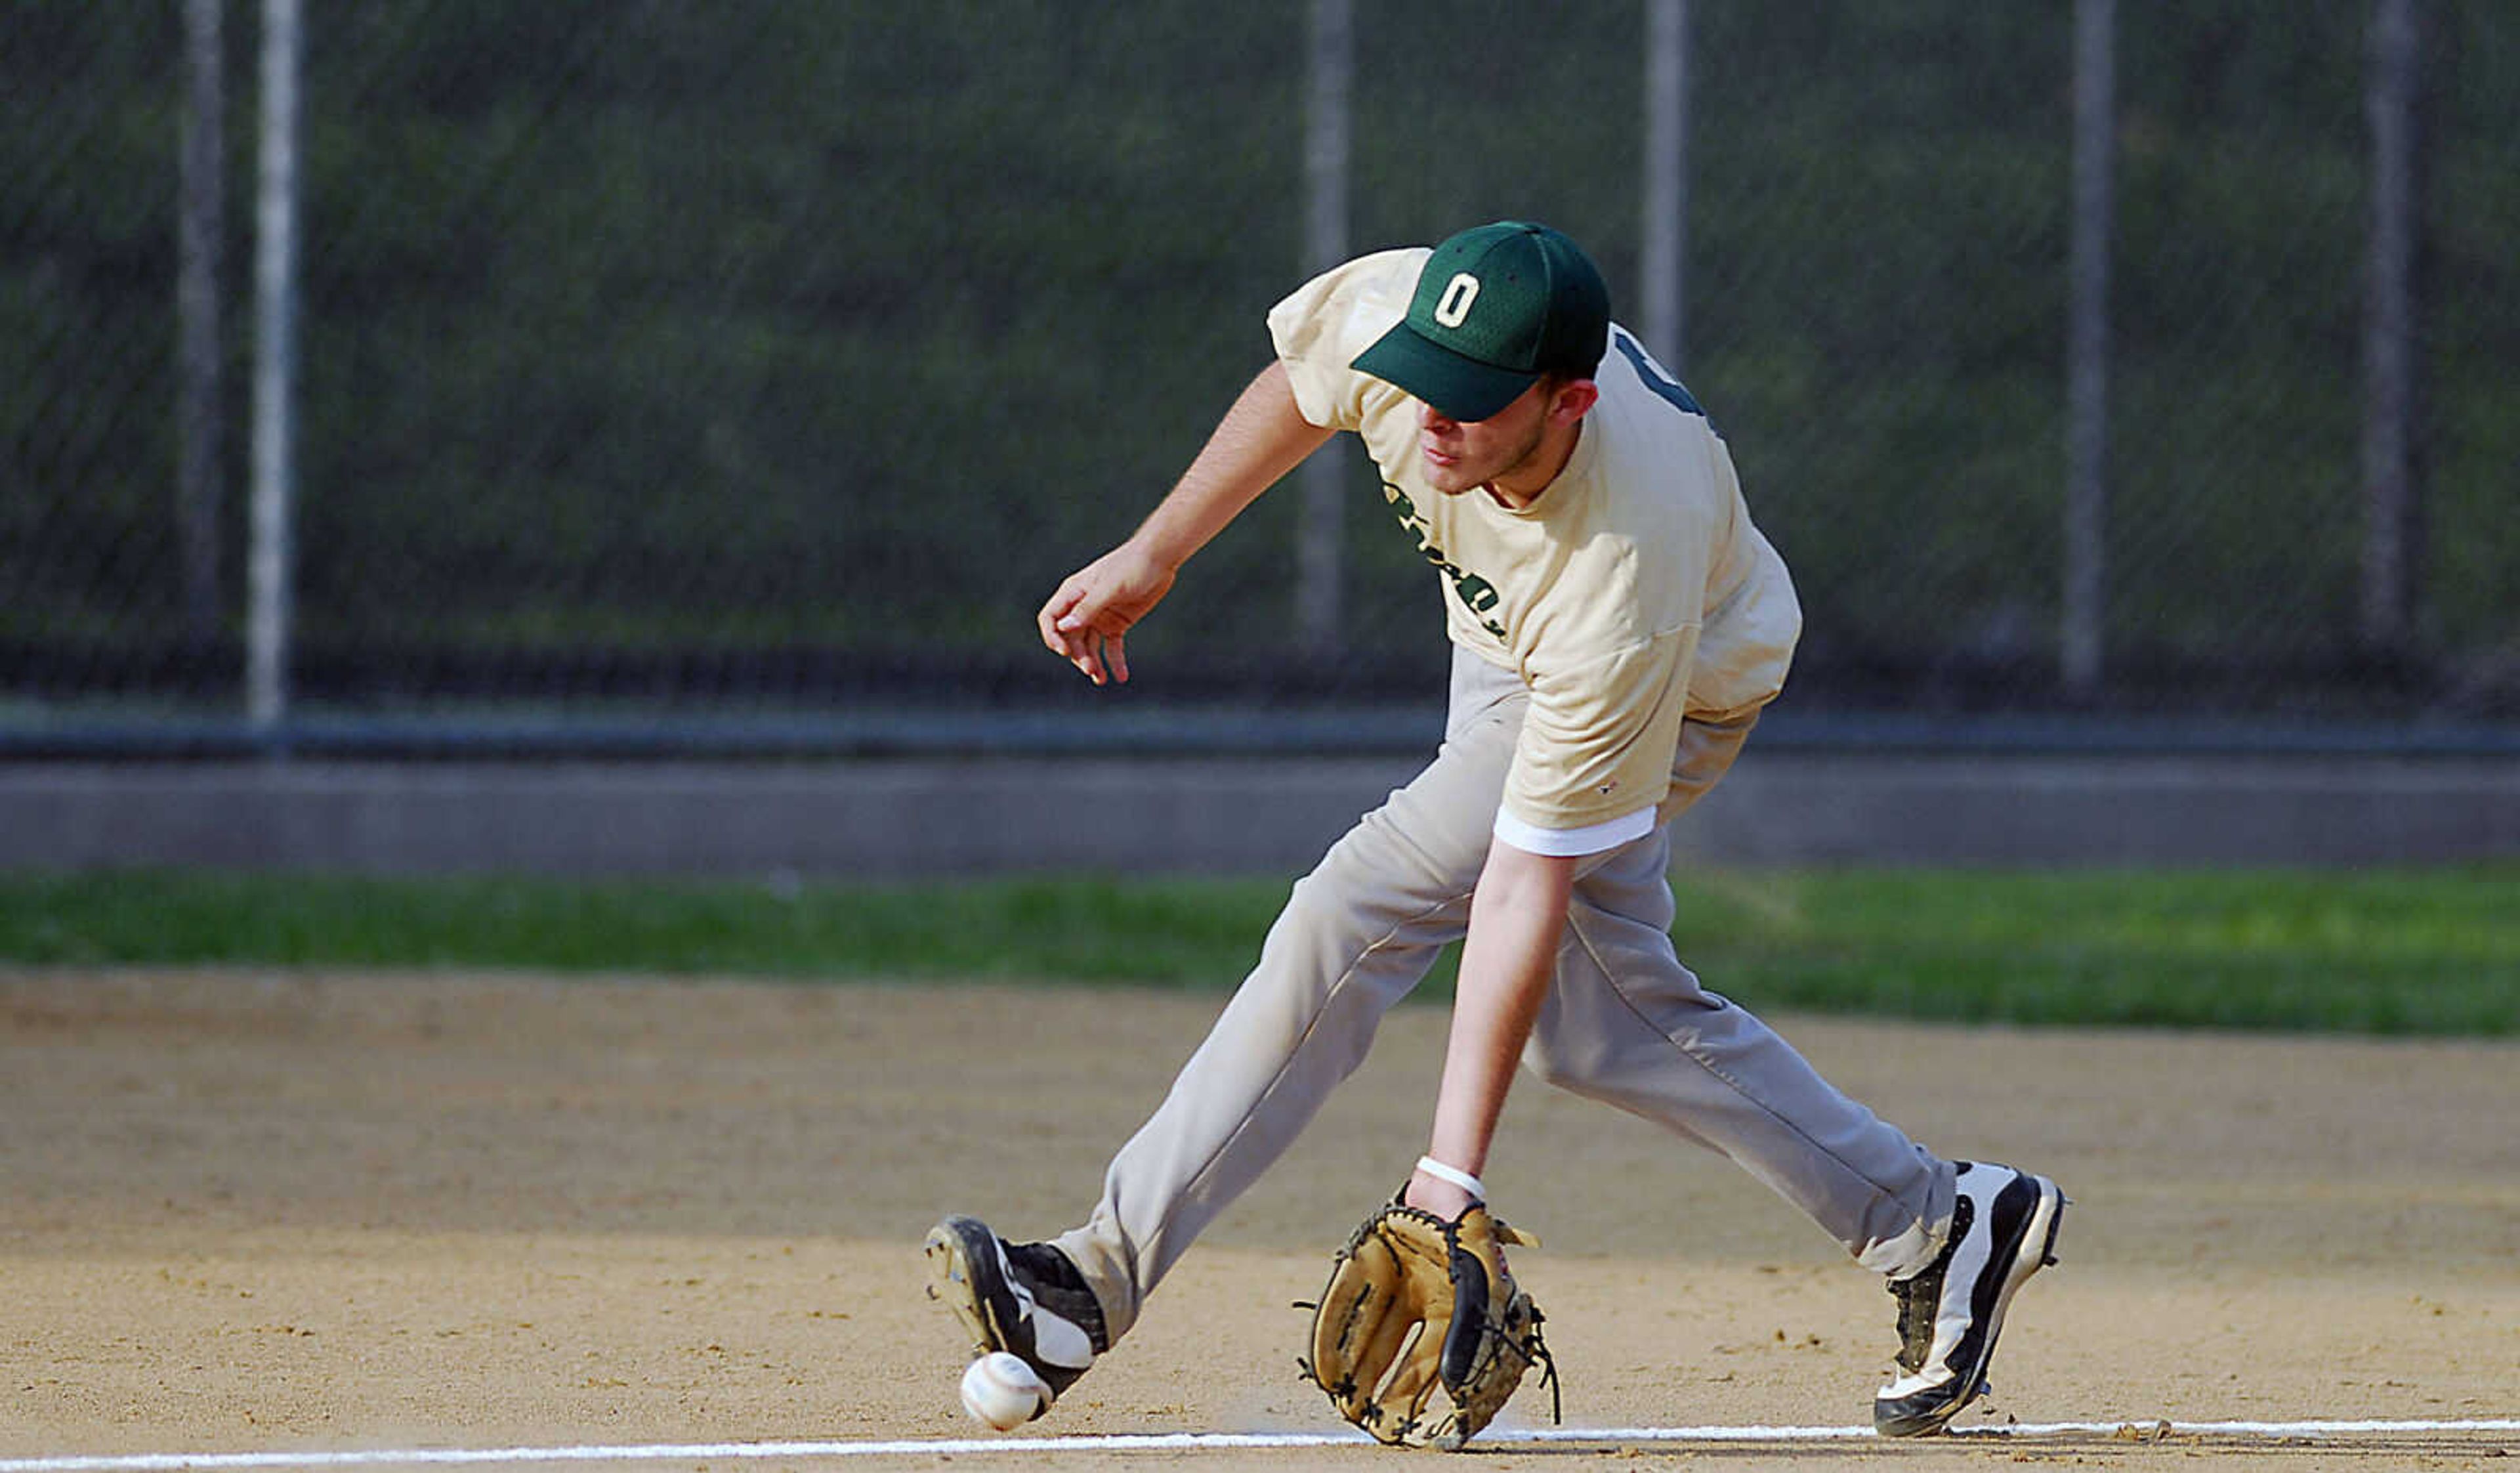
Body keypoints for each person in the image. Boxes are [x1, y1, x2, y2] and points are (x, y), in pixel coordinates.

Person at [925, 221, 2063, 1439]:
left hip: (1661, 683)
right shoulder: (1421, 331)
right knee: (1596, 1029)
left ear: (1571, 402)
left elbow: (1522, 878)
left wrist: (1448, 1180)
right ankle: (1939, 1222)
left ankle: (1086, 1286)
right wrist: (1157, 550)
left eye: (1472, 400)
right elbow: (1305, 384)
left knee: (1352, 911)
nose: (1432, 416)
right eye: (1427, 376)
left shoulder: (1622, 574)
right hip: (1507, 642)